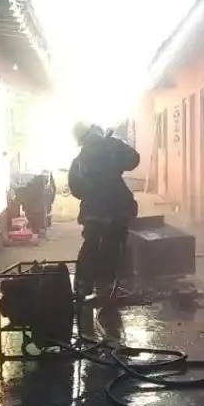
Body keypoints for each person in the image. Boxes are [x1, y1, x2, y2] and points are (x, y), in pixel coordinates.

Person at [68, 121, 140, 296]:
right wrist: (116, 143)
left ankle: (84, 284)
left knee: (91, 244)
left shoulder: (80, 160)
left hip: (94, 210)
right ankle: (106, 284)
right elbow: (133, 160)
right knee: (113, 244)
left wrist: (91, 193)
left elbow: (75, 188)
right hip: (118, 207)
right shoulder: (112, 146)